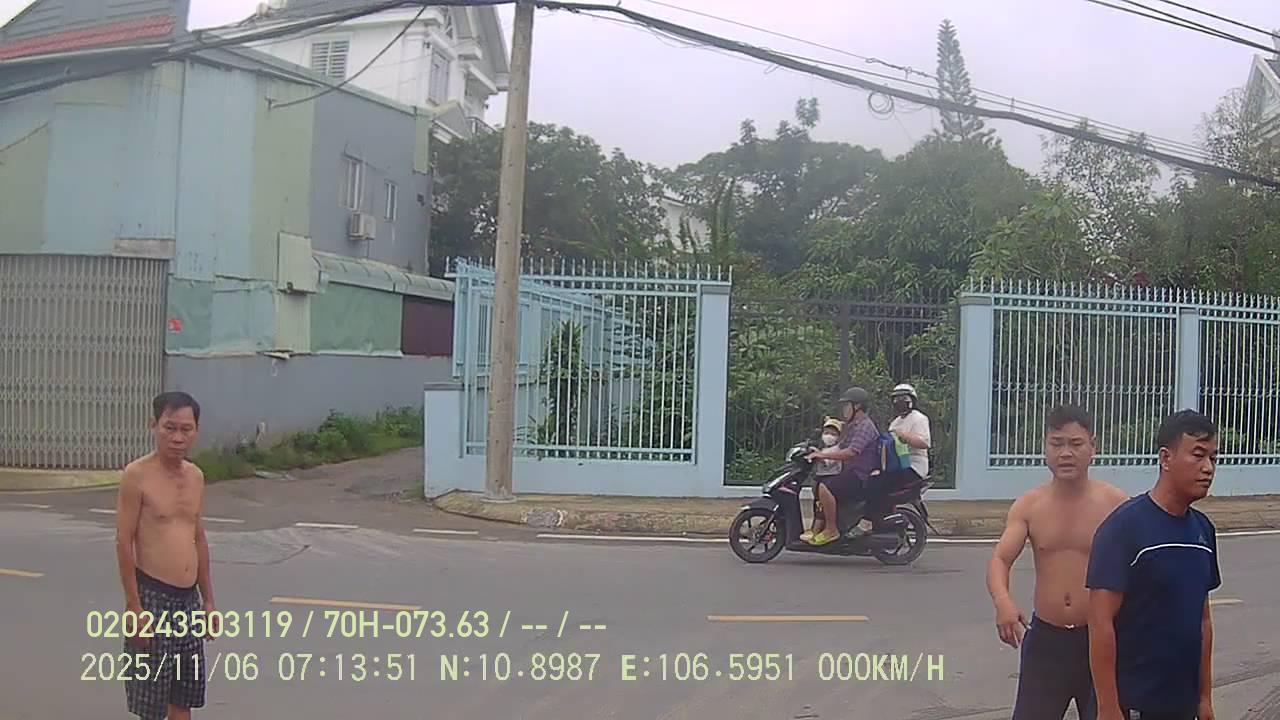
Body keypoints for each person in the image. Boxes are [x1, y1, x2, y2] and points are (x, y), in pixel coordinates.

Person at [986, 405, 1129, 720]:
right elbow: (1000, 559)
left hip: (1100, 639)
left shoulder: (1117, 505)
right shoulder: (1030, 505)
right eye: (1057, 443)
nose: (1066, 453)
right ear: (1045, 448)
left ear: (1093, 446)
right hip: (1046, 641)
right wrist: (1003, 603)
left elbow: (1140, 571)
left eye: (1076, 444)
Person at [1087, 410, 1222, 720]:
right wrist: (1108, 708)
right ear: (1165, 458)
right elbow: (1099, 622)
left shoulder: (1203, 530)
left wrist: (1204, 698)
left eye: (1213, 458)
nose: (1208, 468)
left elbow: (1203, 621)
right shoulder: (1124, 527)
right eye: (1198, 455)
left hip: (1183, 705)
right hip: (1134, 705)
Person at [115, 391, 218, 720]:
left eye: (186, 429)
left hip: (188, 601)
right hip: (152, 598)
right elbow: (124, 541)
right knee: (152, 704)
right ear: (153, 425)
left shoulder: (196, 476)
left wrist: (208, 602)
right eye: (169, 427)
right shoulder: (137, 475)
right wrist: (134, 607)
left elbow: (198, 537)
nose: (177, 437)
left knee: (183, 699)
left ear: (196, 431)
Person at [804, 387, 881, 545]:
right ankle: (817, 527)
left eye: (847, 405)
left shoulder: (865, 426)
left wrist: (823, 455)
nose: (844, 409)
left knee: (825, 487)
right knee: (819, 482)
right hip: (850, 472)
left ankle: (831, 530)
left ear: (857, 406)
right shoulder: (854, 425)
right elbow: (840, 447)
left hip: (860, 476)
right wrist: (818, 453)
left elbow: (851, 452)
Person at [800, 417, 844, 543]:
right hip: (819, 479)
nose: (829, 436)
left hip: (830, 480)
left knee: (820, 507)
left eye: (833, 434)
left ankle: (816, 531)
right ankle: (814, 529)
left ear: (839, 437)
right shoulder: (823, 448)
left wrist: (818, 454)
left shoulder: (836, 449)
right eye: (826, 433)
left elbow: (828, 461)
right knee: (817, 505)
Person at [887, 382, 932, 484]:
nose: (899, 402)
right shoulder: (895, 423)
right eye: (897, 399)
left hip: (915, 465)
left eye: (904, 399)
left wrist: (905, 437)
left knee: (889, 481)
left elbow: (924, 443)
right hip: (896, 463)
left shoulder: (919, 418)